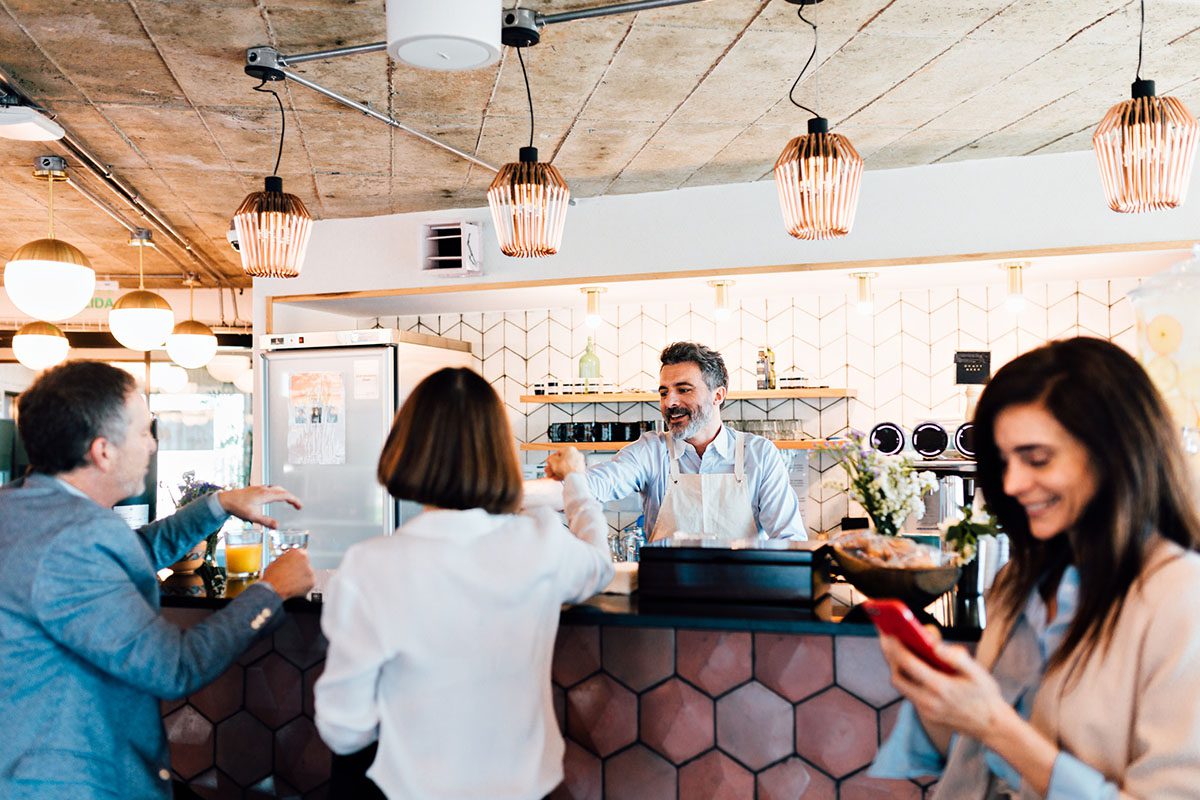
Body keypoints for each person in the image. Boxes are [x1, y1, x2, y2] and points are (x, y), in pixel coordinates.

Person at [870, 337, 1200, 798]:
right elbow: (975, 759)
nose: (1013, 483)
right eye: (1004, 462)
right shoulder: (1019, 582)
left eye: (1037, 458)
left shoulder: (1181, 598)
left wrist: (993, 722)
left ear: (1116, 452)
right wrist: (939, 694)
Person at [0, 360, 315, 799]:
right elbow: (173, 667)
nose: (151, 446)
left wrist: (218, 504)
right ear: (103, 451)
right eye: (145, 431)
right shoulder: (75, 539)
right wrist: (272, 591)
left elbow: (132, 555)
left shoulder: (21, 508)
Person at [313, 367, 614, 800]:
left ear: (406, 449)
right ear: (500, 454)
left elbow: (343, 729)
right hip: (524, 790)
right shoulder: (541, 540)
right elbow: (601, 564)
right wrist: (576, 483)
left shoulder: (370, 565)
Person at [585, 341, 805, 540]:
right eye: (663, 392)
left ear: (718, 395)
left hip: (743, 584)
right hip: (669, 584)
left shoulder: (759, 454)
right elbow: (599, 483)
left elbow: (790, 539)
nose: (670, 402)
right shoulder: (651, 451)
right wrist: (559, 485)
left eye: (683, 390)